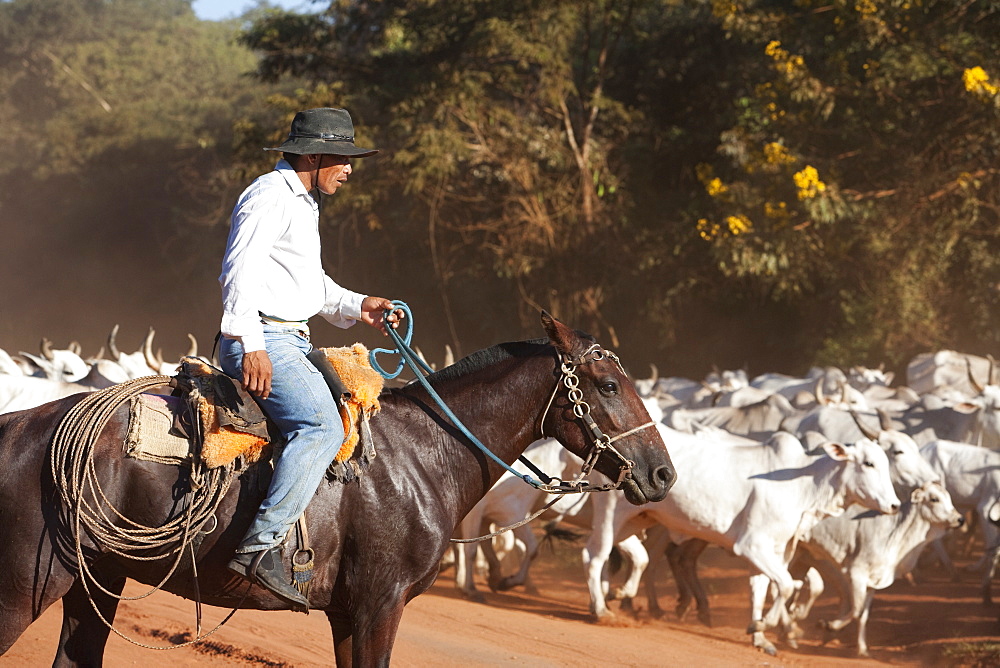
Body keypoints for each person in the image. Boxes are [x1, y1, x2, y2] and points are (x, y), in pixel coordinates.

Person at [217, 107, 397, 611]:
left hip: (289, 336)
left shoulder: (304, 203)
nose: (350, 169)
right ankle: (260, 548)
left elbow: (307, 284)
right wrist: (251, 344)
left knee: (349, 411)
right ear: (314, 155)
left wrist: (358, 305)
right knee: (323, 428)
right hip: (265, 338)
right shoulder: (269, 196)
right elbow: (239, 272)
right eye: (344, 159)